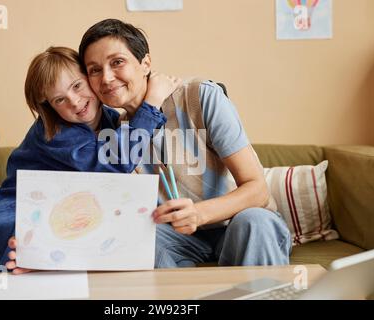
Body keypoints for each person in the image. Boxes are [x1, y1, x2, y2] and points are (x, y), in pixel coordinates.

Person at [76, 18, 292, 268]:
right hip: (177, 239)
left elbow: (258, 189)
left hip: (237, 223)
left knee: (255, 222)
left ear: (145, 64)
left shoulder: (200, 96)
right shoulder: (113, 132)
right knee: (137, 238)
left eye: (117, 62)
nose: (106, 78)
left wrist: (199, 214)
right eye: (94, 70)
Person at [0, 46, 181, 272]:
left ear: (90, 78)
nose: (74, 101)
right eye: (59, 100)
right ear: (50, 107)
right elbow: (113, 165)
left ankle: (43, 257)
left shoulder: (111, 119)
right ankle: (29, 260)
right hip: (17, 206)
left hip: (67, 208)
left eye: (77, 86)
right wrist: (151, 102)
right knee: (19, 232)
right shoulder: (53, 132)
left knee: (97, 230)